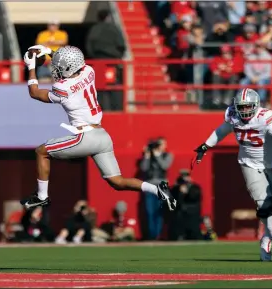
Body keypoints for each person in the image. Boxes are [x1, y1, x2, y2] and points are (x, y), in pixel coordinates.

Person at [20, 44, 176, 213]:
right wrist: (50, 52)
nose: (56, 68)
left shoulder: (63, 87)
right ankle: (158, 190)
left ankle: (42, 197)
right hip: (103, 136)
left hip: (86, 137)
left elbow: (35, 93)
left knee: (41, 152)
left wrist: (31, 67)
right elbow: (72, 62)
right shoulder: (89, 71)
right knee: (117, 182)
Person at [193, 88, 272, 261]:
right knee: (263, 204)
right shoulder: (232, 115)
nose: (243, 111)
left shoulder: (265, 117)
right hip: (249, 163)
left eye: (247, 106)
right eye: (241, 107)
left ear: (256, 105)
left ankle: (267, 236)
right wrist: (205, 146)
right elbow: (222, 130)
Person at [85, 9, 126, 111]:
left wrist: (94, 57)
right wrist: (117, 57)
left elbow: (89, 46)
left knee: (98, 86)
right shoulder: (114, 28)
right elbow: (122, 45)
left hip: (98, 61)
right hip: (112, 62)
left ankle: (99, 109)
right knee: (113, 86)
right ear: (108, 17)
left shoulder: (94, 29)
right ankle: (116, 110)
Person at [138, 137, 173, 240]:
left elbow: (165, 166)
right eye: (161, 144)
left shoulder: (168, 155)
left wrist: (157, 155)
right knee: (150, 211)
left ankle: (158, 235)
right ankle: (151, 235)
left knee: (159, 211)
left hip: (161, 186)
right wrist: (147, 156)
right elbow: (143, 168)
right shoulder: (149, 156)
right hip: (149, 185)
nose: (163, 146)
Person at [168, 170, 202, 240]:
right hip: (180, 214)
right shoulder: (176, 189)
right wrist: (180, 192)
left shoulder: (195, 187)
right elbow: (173, 201)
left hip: (192, 213)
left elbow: (195, 198)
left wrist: (188, 191)